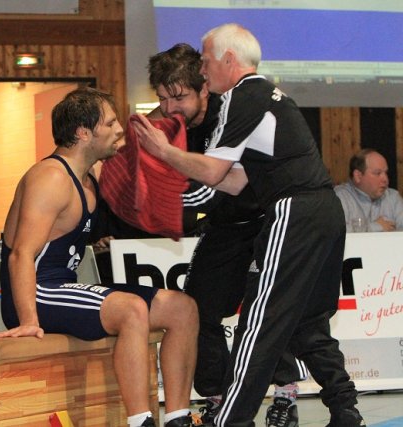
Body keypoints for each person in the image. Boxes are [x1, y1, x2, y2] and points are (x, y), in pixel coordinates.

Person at [132, 24, 364, 427]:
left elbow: (214, 174)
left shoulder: (239, 97)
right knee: (308, 319)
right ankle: (346, 410)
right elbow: (237, 181)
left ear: (227, 60)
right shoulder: (265, 95)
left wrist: (164, 160)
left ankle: (231, 419)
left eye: (206, 61)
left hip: (288, 212)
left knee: (259, 323)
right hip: (322, 209)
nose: (203, 70)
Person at [0, 87, 199, 427]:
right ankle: (141, 422)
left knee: (182, 308)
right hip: (33, 293)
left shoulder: (91, 174)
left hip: (61, 288)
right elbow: (21, 254)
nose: (119, 130)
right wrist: (28, 320)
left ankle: (177, 419)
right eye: (111, 123)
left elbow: (136, 150)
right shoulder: (50, 178)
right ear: (83, 133)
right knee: (131, 309)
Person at [146, 43, 306, 427]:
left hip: (266, 220)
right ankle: (217, 397)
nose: (169, 107)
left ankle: (285, 395)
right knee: (196, 306)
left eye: (178, 98)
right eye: (162, 98)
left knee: (267, 309)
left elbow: (226, 183)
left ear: (204, 88)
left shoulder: (233, 111)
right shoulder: (166, 121)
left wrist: (162, 201)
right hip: (223, 225)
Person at [334, 148, 403, 232]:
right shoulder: (339, 197)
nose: (385, 179)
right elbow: (334, 232)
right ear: (358, 176)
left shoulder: (393, 197)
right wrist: (375, 227)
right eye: (378, 173)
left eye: (386, 173)